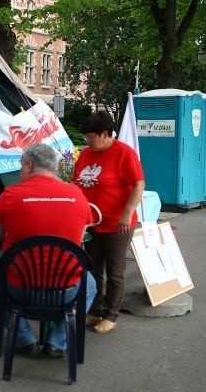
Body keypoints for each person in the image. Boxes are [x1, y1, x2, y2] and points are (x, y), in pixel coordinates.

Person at [0, 143, 97, 358]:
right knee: (90, 285)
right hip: (66, 289)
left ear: (28, 165)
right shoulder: (76, 194)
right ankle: (58, 341)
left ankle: (23, 338)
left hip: (19, 287)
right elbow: (79, 236)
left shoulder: (10, 194)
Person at [73, 111, 144, 334]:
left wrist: (127, 212)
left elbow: (138, 185)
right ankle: (94, 310)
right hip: (91, 222)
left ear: (105, 134)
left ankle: (111, 314)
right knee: (93, 269)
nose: (87, 141)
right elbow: (77, 183)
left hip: (118, 223)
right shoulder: (86, 154)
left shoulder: (124, 153)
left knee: (115, 270)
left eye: (91, 136)